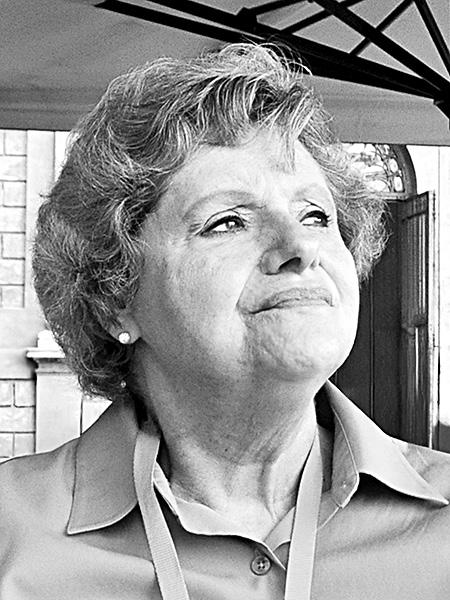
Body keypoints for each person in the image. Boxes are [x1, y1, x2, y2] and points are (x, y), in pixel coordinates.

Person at [1, 43, 449, 600]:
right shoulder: (11, 535)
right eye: (228, 222)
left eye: (316, 215)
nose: (300, 247)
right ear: (114, 297)